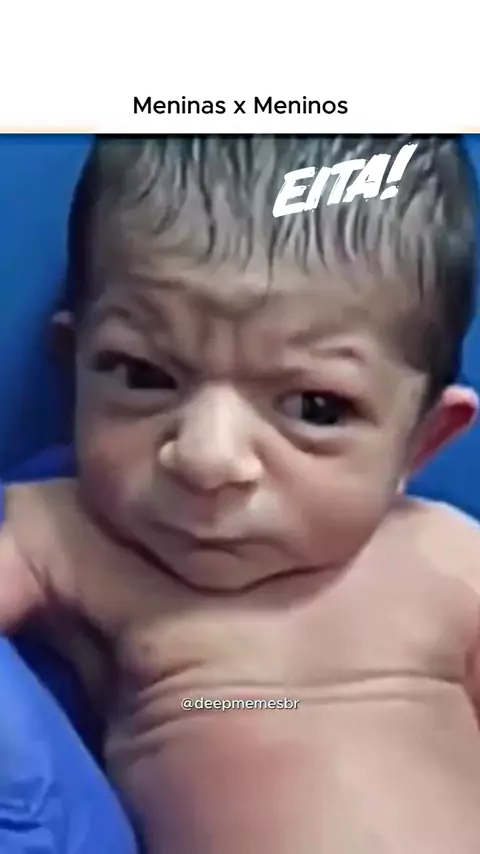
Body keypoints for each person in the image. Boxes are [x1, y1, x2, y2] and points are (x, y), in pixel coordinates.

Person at [1, 134, 480, 853]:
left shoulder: (448, 561)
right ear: (76, 368)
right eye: (142, 375)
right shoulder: (68, 539)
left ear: (421, 441)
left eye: (316, 408)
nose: (206, 458)